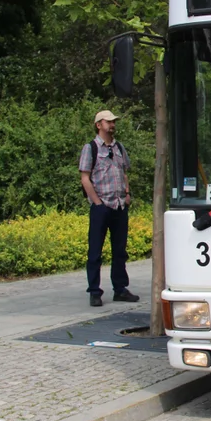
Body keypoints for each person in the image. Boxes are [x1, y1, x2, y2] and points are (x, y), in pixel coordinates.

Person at [79, 110, 140, 307]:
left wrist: (127, 193)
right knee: (95, 251)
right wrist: (96, 202)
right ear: (99, 125)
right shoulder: (91, 148)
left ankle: (120, 289)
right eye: (108, 122)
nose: (112, 125)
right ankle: (94, 291)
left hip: (119, 205)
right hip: (101, 206)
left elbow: (124, 172)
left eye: (114, 122)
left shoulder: (119, 148)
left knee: (120, 250)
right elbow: (85, 177)